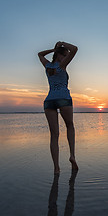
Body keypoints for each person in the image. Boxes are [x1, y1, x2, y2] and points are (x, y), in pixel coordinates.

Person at [38, 41, 79, 174]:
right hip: (63, 99)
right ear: (60, 56)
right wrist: (62, 44)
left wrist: (54, 49)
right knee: (70, 126)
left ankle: (56, 168)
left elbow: (39, 54)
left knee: (54, 135)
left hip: (49, 101)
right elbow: (75, 49)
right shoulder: (62, 65)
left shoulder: (47, 66)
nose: (67, 56)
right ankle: (72, 155)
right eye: (65, 55)